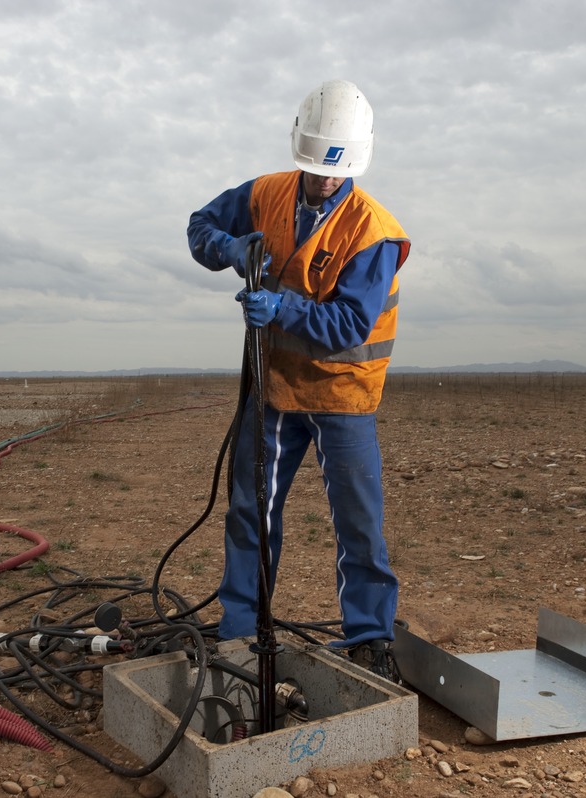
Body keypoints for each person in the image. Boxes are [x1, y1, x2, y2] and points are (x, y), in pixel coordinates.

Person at [186, 79, 411, 679]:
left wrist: (282, 309)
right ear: (300, 154)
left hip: (343, 395)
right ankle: (240, 629)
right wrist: (230, 248)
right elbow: (199, 226)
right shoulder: (266, 193)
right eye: (316, 169)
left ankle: (369, 636)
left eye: (335, 172)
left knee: (358, 521)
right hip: (277, 388)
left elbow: (349, 323)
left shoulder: (374, 233)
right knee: (250, 509)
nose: (324, 181)